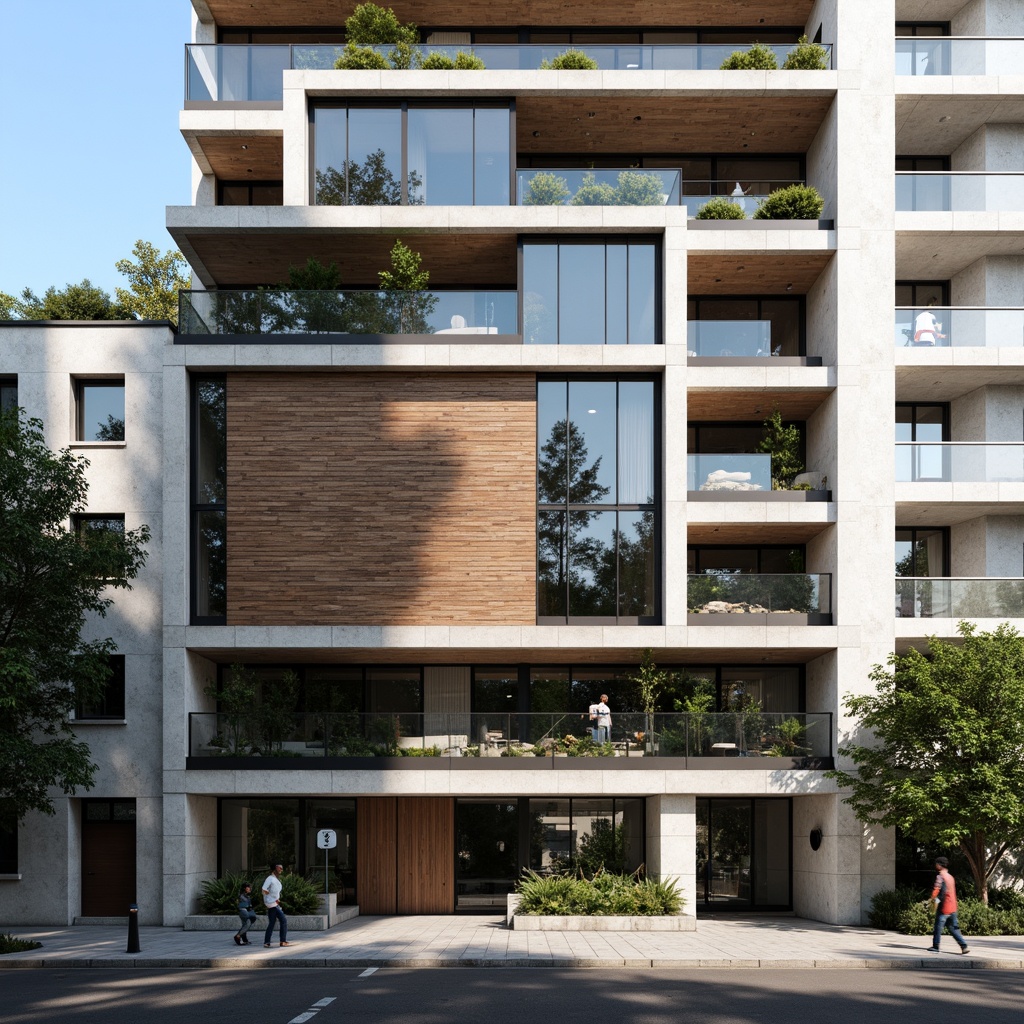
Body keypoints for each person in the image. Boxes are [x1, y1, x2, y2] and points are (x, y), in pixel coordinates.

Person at [926, 856, 969, 954]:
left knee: (938, 927)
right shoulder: (950, 877)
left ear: (939, 865)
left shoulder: (940, 876)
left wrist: (933, 900)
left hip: (944, 907)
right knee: (953, 928)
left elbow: (937, 890)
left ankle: (936, 946)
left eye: (936, 864)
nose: (935, 865)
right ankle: (964, 946)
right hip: (953, 907)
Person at [262, 863, 291, 947]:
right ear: (274, 869)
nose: (281, 870)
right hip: (272, 904)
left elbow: (274, 891)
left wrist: (276, 898)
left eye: (282, 868)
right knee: (283, 920)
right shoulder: (270, 878)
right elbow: (264, 889)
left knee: (272, 923)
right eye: (279, 868)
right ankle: (283, 941)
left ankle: (267, 942)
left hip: (274, 903)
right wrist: (271, 898)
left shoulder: (275, 879)